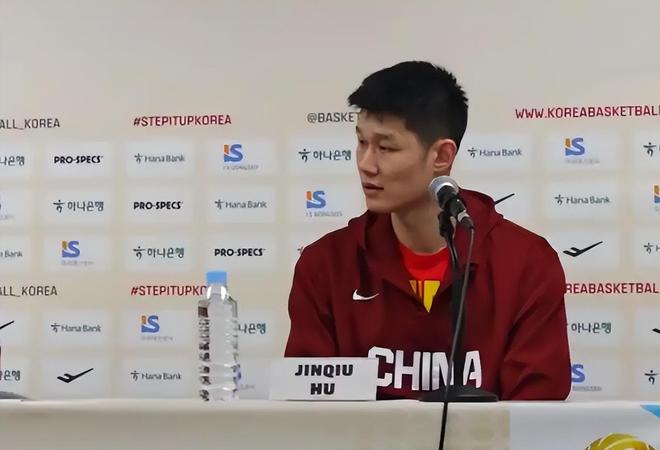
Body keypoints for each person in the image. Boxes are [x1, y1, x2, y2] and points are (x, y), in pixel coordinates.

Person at [284, 61, 571, 400]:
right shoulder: (326, 264)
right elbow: (308, 409)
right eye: (361, 142)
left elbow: (535, 414)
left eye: (385, 148)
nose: (365, 163)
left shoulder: (527, 264)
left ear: (441, 156)